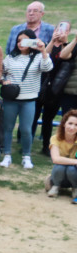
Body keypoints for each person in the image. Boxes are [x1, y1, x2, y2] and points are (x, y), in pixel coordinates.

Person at [0, 30, 53, 170]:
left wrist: (43, 50)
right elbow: (1, 73)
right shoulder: (11, 57)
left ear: (31, 41)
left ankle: (26, 156)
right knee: (8, 128)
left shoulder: (37, 57)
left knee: (26, 129)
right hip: (11, 99)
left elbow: (48, 67)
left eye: (24, 40)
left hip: (29, 99)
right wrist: (3, 81)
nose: (20, 43)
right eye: (18, 40)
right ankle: (7, 155)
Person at [39, 23, 74, 156]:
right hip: (42, 85)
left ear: (69, 32)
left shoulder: (70, 46)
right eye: (59, 29)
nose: (61, 32)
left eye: (64, 30)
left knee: (48, 118)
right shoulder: (48, 44)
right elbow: (44, 56)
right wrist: (53, 41)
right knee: (35, 115)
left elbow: (65, 56)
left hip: (56, 89)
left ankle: (46, 147)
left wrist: (65, 42)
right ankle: (26, 142)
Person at [47, 108, 77, 199]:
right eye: (70, 123)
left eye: (76, 125)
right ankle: (56, 186)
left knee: (71, 169)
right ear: (64, 123)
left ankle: (75, 188)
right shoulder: (55, 138)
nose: (72, 128)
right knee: (59, 166)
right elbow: (55, 159)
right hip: (59, 171)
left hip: (74, 174)